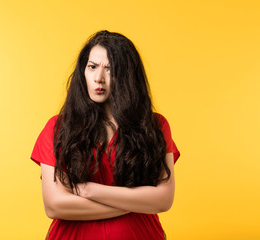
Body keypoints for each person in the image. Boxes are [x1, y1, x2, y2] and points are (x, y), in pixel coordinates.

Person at [31, 30, 180, 240]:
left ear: (127, 75)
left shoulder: (155, 125)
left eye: (110, 69)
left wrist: (89, 190)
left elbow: (163, 200)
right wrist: (137, 202)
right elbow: (55, 206)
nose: (99, 78)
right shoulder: (58, 127)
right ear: (83, 71)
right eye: (92, 67)